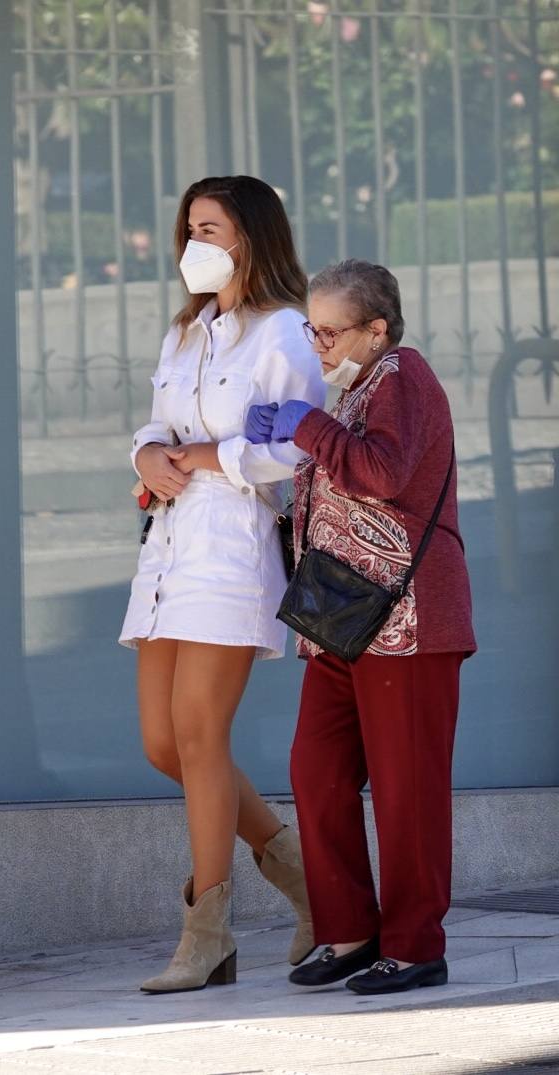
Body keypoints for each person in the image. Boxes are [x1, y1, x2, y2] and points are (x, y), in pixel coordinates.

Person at [119, 176, 326, 994]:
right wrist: (146, 454)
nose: (192, 243)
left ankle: (206, 930)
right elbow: (158, 422)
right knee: (162, 744)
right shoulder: (186, 333)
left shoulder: (283, 332)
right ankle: (311, 882)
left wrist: (210, 459)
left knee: (202, 736)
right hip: (169, 550)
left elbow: (299, 445)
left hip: (234, 547)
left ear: (251, 238)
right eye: (189, 227)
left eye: (210, 227)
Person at [247, 259, 476, 996]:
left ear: (377, 329)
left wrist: (306, 424)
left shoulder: (402, 376)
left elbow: (382, 472)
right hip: (343, 621)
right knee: (315, 770)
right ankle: (348, 930)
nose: (317, 344)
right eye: (311, 329)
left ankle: (414, 945)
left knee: (408, 789)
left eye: (330, 330)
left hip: (407, 625)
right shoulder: (355, 388)